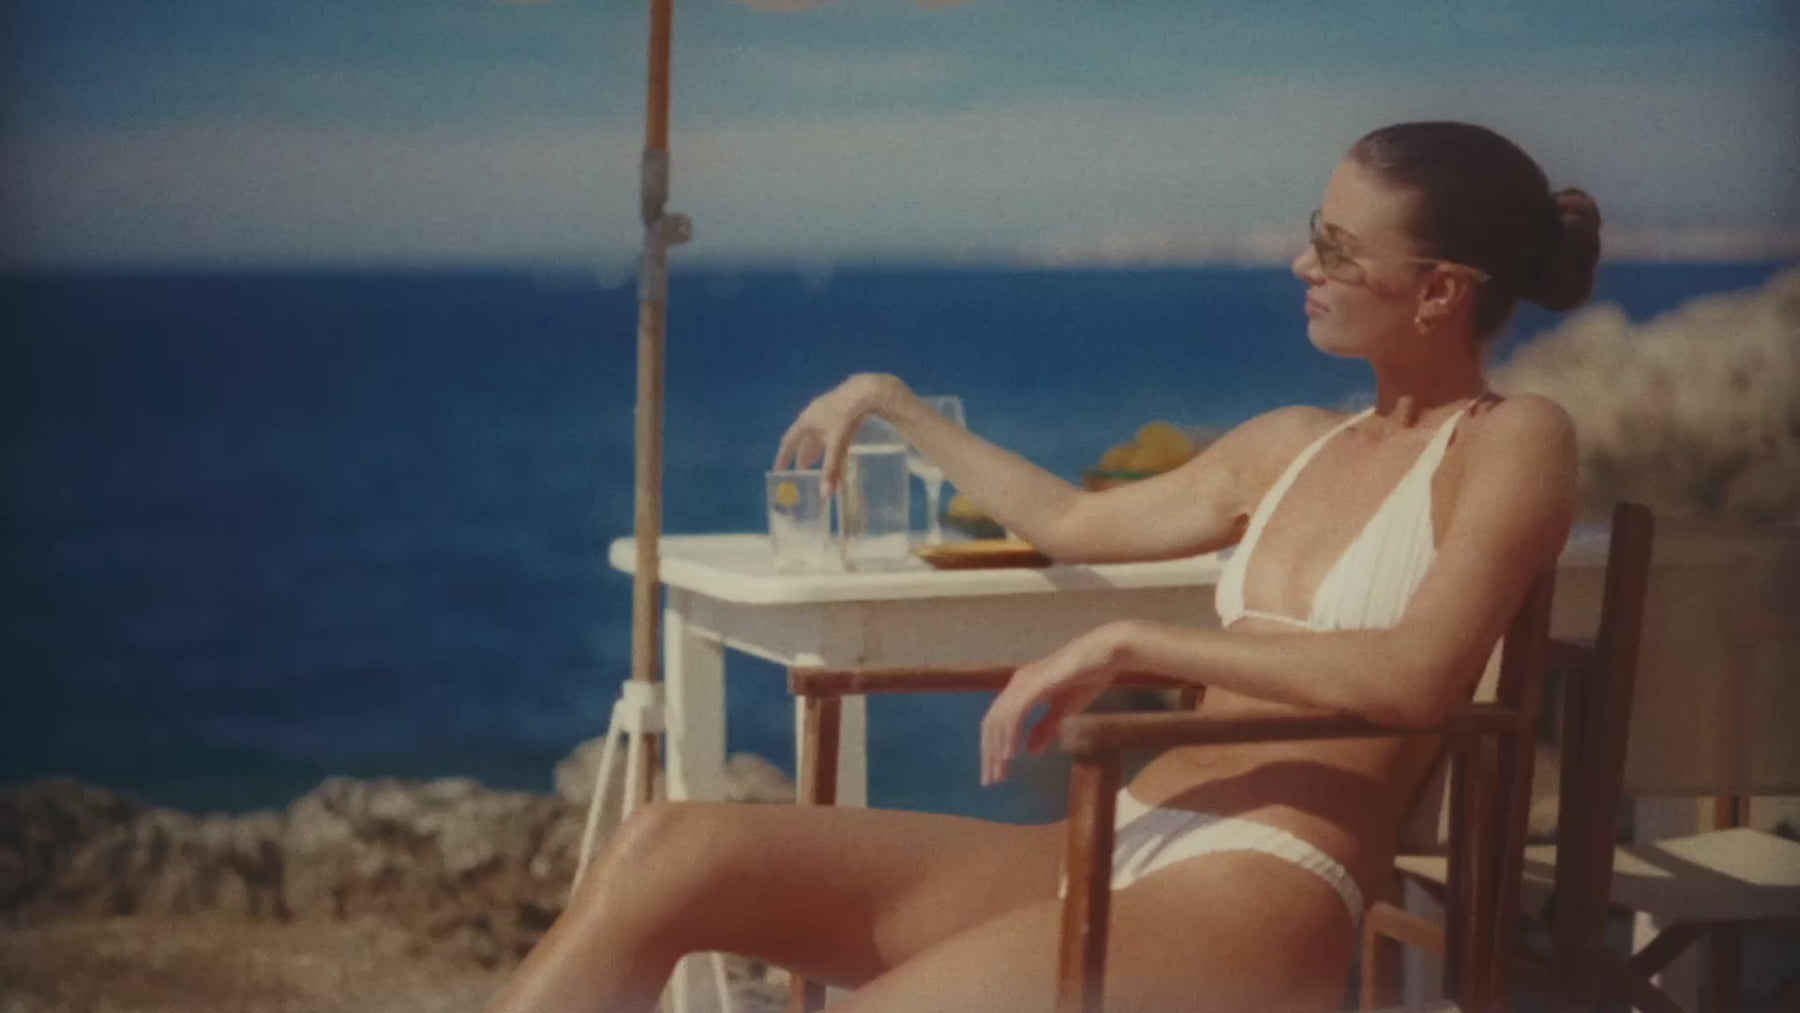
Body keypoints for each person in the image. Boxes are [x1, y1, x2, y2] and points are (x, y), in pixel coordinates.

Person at [488, 121, 1601, 1013]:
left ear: (1440, 291)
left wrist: (1133, 640)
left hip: (1258, 890)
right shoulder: (1289, 442)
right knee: (671, 847)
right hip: (1113, 843)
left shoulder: (1514, 441)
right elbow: (1070, 520)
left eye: (1341, 250)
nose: (1302, 263)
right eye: (1317, 232)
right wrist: (891, 402)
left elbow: (1415, 678)